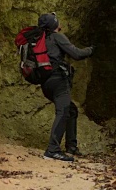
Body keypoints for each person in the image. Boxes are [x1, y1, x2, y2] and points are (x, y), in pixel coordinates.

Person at [38, 12, 94, 162]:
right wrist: (92, 49)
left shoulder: (41, 40)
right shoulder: (57, 37)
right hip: (58, 81)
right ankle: (52, 150)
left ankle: (71, 146)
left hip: (46, 83)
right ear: (55, 24)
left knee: (71, 110)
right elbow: (76, 54)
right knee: (63, 111)